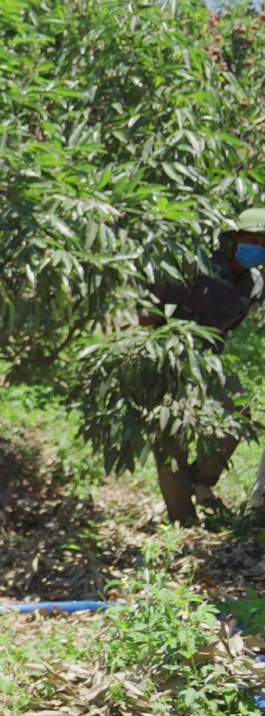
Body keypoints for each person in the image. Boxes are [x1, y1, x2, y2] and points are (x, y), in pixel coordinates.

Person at [137, 208, 265, 521]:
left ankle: (201, 481)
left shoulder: (255, 283)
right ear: (235, 238)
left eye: (264, 243)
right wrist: (157, 357)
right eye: (252, 239)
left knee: (239, 415)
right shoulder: (199, 263)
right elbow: (149, 311)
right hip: (167, 356)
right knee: (171, 436)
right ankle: (183, 518)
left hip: (209, 361)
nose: (258, 248)